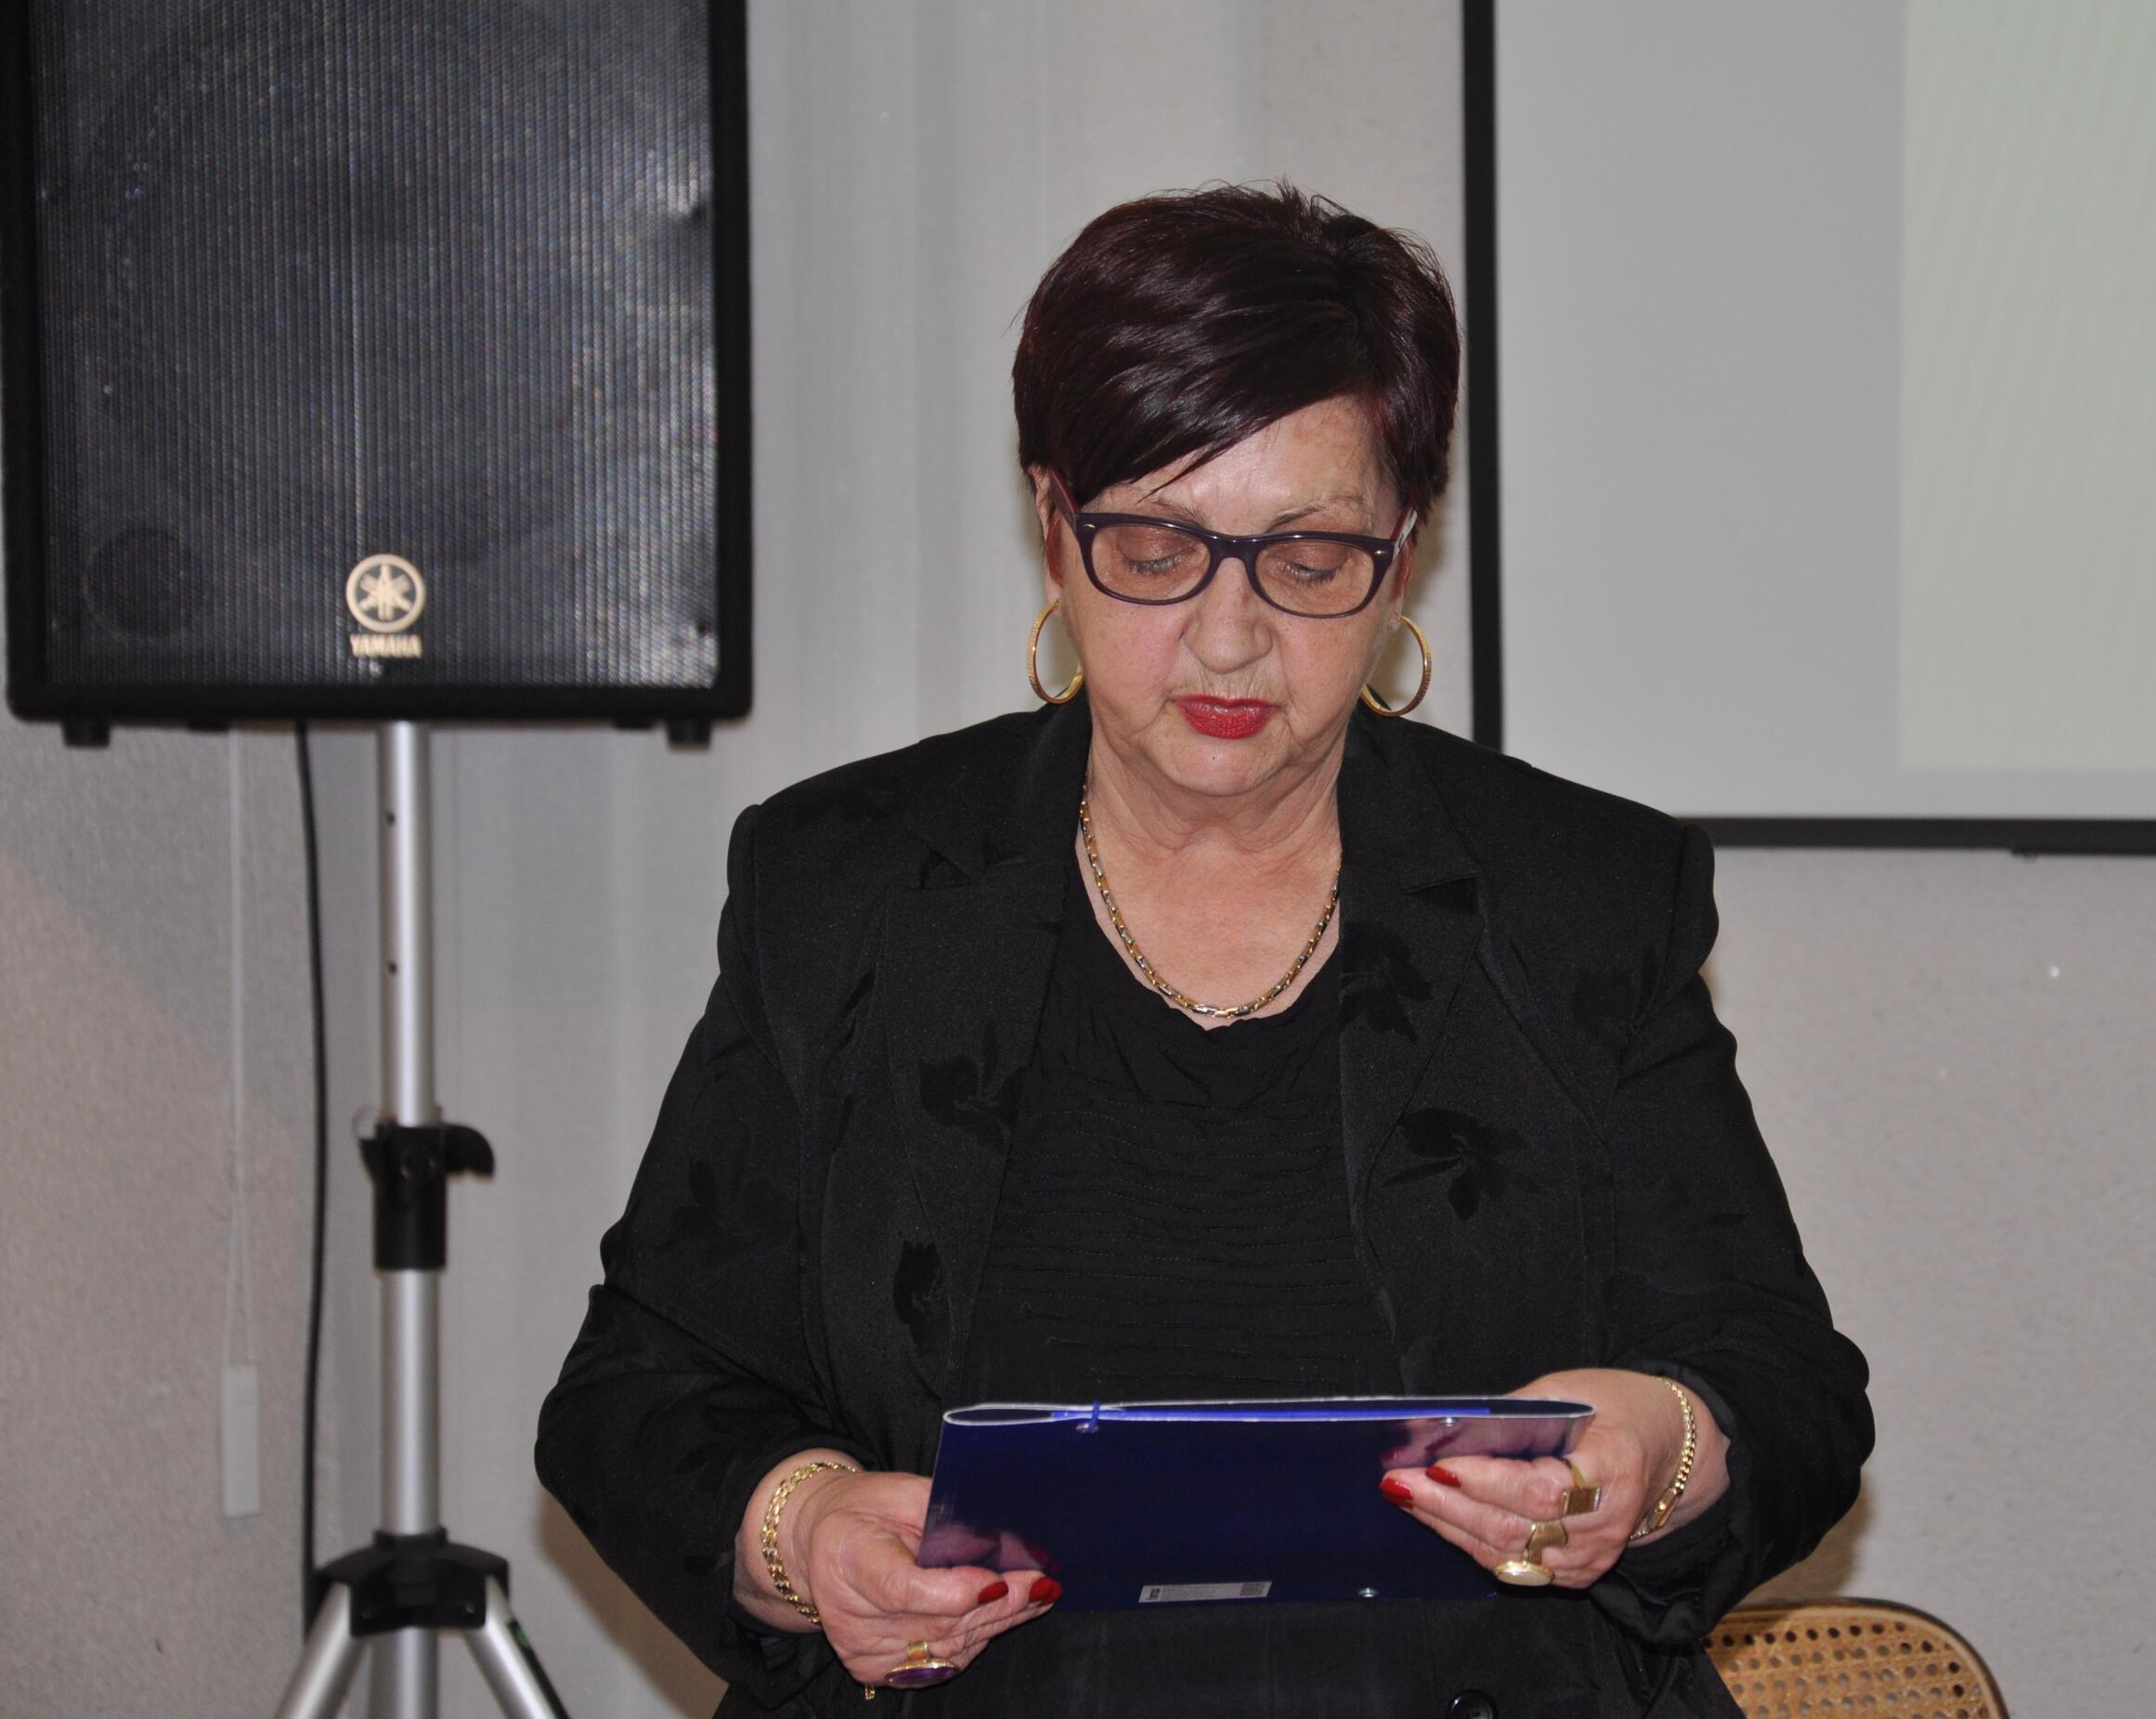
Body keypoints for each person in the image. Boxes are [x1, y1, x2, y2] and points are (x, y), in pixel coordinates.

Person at [537, 181, 1870, 1717]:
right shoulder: (851, 885)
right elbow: (640, 1391)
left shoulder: (1581, 896)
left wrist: (1654, 1451)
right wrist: (803, 1528)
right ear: (1054, 529)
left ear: (1403, 556)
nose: (1231, 637)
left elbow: (1782, 1380)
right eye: (1157, 546)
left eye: (1309, 559)